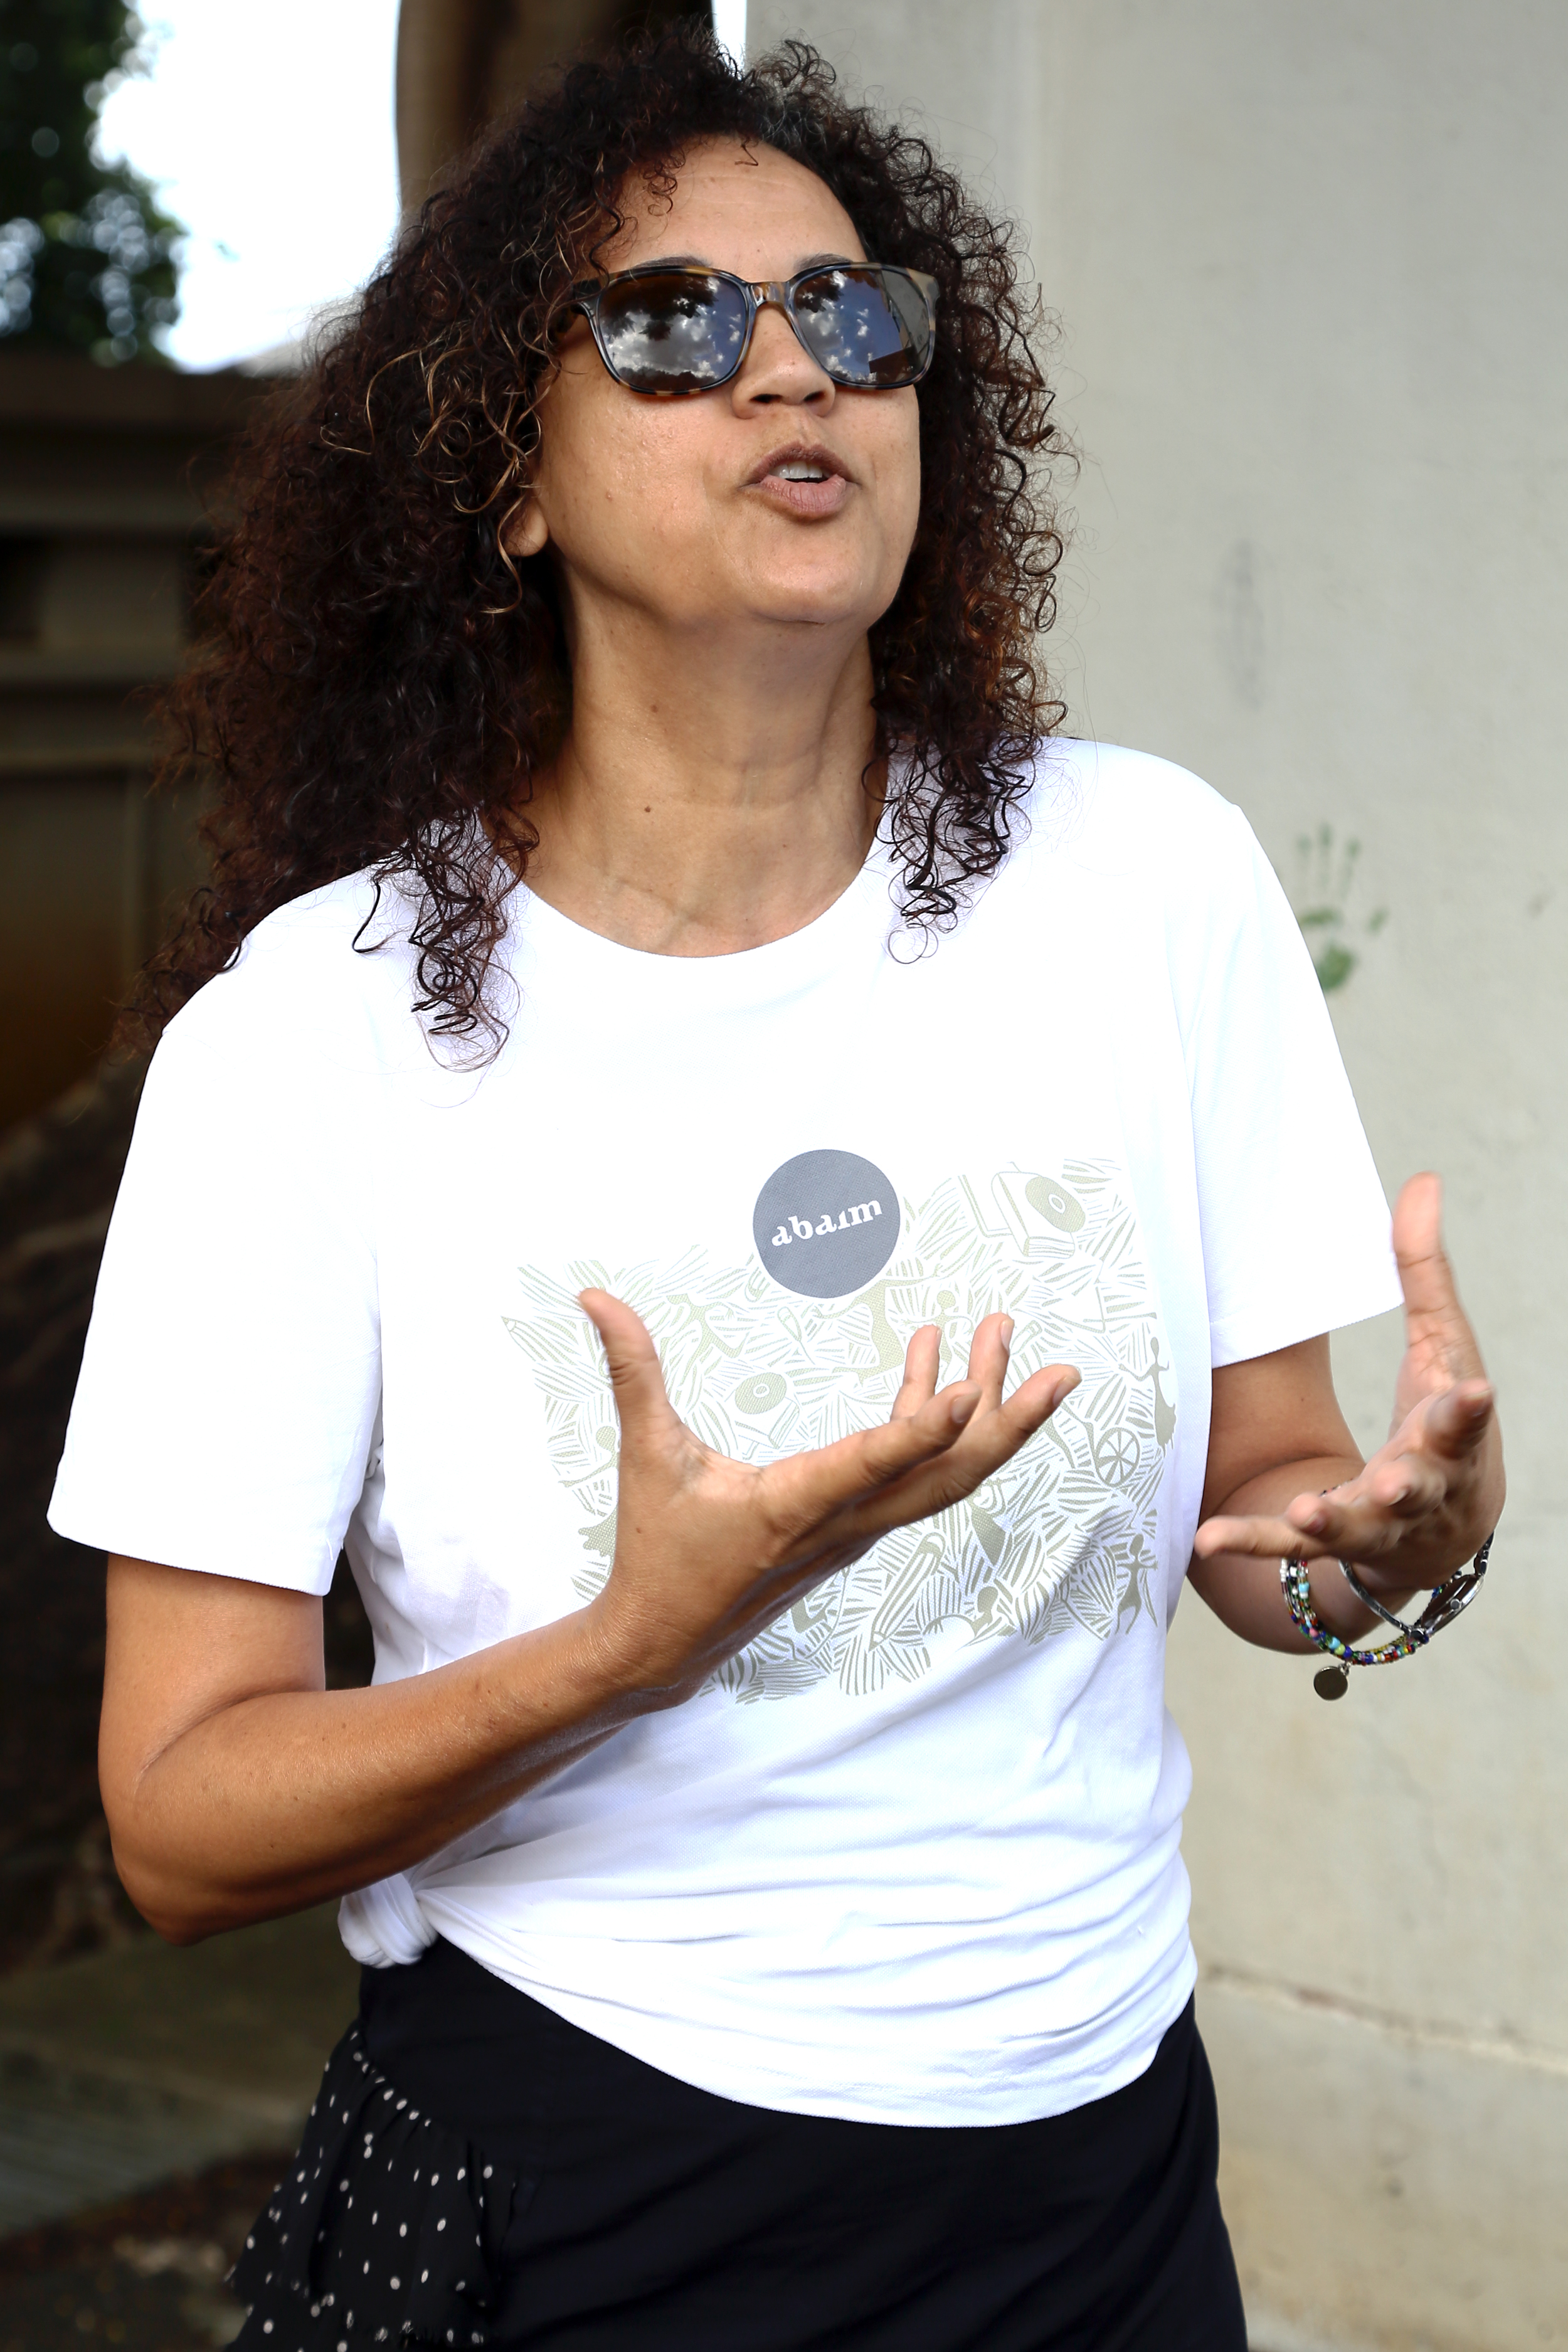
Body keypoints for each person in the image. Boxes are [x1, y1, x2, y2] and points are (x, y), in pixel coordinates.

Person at [51, 29, 1503, 2352]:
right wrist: (633, 1646)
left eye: (850, 315)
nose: (784, 369)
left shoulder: (1147, 881)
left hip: (1103, 2175)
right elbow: (184, 1813)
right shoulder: (307, 1042)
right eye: (668, 321)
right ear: (504, 480)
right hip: (597, 2192)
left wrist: (1379, 1561)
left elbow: (1271, 1510)